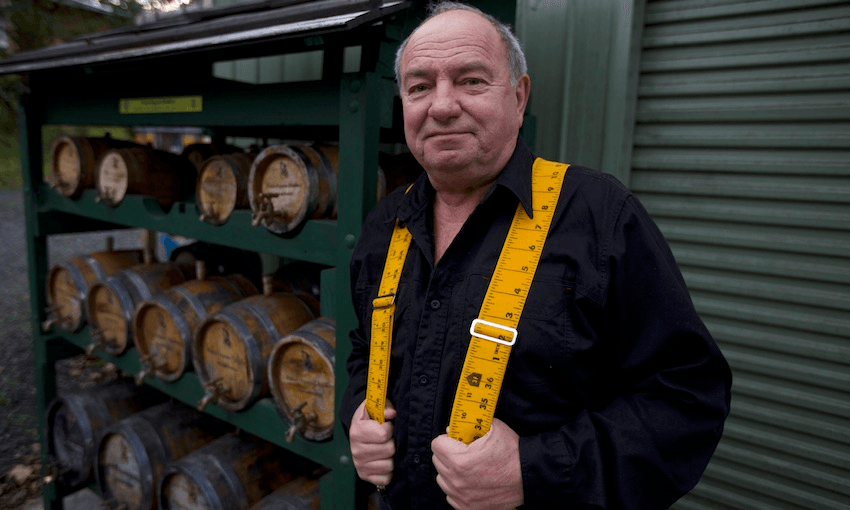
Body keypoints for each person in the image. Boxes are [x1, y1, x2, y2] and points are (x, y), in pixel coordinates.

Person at [340, 3, 732, 509]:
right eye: (419, 87)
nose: (441, 105)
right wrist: (359, 413)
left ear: (519, 97)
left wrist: (533, 470)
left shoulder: (599, 216)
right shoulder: (385, 225)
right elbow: (361, 346)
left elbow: (687, 399)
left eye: (471, 81)